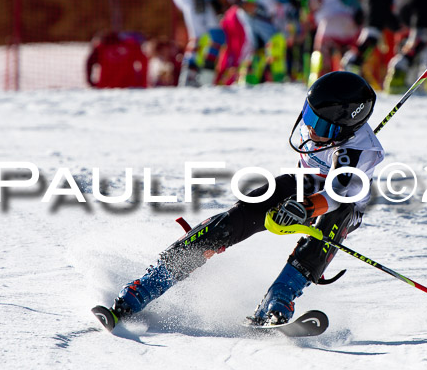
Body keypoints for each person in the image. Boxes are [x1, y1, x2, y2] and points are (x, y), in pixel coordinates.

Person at [93, 71, 385, 329]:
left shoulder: (359, 153)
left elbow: (336, 195)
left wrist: (306, 208)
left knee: (333, 221)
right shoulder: (328, 132)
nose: (309, 129)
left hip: (338, 203)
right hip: (305, 185)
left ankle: (279, 297)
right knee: (244, 211)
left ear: (343, 129)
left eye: (319, 127)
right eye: (309, 118)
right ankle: (148, 284)